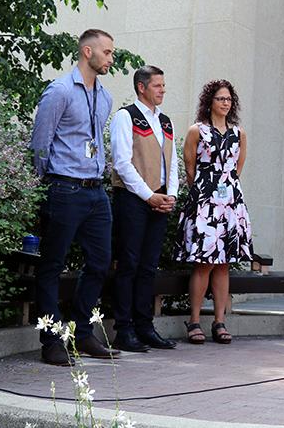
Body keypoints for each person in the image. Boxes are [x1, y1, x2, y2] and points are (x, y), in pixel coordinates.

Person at [30, 29, 120, 365]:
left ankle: (82, 333)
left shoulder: (106, 97)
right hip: (64, 189)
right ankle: (51, 341)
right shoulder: (60, 91)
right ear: (87, 52)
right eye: (107, 52)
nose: (111, 59)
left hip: (96, 192)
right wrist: (48, 184)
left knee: (100, 262)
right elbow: (40, 143)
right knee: (52, 266)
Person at [176, 80, 252, 345]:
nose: (225, 103)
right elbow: (189, 168)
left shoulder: (239, 132)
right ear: (210, 101)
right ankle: (194, 321)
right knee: (203, 263)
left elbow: (237, 168)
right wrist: (205, 193)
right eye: (220, 98)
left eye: (229, 99)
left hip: (230, 201)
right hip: (204, 201)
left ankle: (219, 321)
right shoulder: (197, 130)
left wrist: (225, 190)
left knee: (223, 264)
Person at [110, 65, 179, 352]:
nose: (163, 90)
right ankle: (123, 330)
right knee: (128, 264)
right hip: (132, 199)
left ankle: (144, 326)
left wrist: (171, 194)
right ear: (142, 87)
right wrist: (148, 195)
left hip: (159, 200)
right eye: (158, 85)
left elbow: (171, 161)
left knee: (149, 267)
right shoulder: (125, 117)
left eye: (163, 85)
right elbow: (122, 163)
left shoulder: (165, 121)